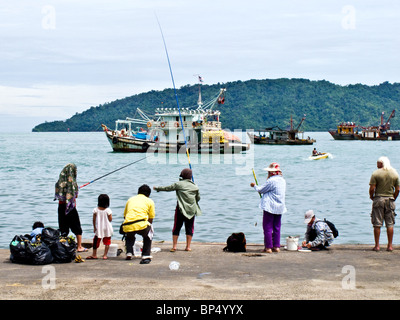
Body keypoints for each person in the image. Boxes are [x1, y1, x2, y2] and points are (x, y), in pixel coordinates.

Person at [153, 168, 201, 252]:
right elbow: (198, 198)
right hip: (191, 210)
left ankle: (174, 246)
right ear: (190, 176)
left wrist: (157, 188)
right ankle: (188, 247)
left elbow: (167, 188)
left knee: (177, 227)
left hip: (180, 209)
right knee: (190, 227)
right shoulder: (195, 186)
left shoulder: (179, 184)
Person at [250, 162, 286, 253]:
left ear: (271, 172)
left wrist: (254, 186)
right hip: (280, 207)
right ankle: (276, 247)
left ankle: (268, 247)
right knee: (277, 227)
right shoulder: (283, 180)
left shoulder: (271, 181)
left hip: (270, 207)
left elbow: (261, 190)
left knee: (267, 227)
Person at [369, 156, 400, 252]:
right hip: (390, 199)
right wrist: (394, 197)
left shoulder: (376, 173)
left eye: (378, 162)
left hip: (379, 199)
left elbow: (372, 188)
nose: (377, 164)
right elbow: (398, 189)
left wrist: (372, 196)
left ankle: (377, 246)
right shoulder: (395, 173)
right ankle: (390, 246)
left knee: (377, 223)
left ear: (381, 163)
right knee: (390, 223)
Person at [54, 163, 87, 252]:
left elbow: (58, 195)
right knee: (77, 227)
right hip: (70, 207)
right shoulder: (72, 182)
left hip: (61, 206)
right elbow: (74, 196)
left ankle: (64, 246)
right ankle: (79, 246)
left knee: (63, 228)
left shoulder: (59, 182)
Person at [122, 184, 155, 264]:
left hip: (127, 224)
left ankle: (129, 253)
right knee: (148, 236)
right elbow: (151, 218)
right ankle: (145, 255)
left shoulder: (130, 199)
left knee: (129, 236)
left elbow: (125, 216)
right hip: (141, 224)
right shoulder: (149, 201)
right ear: (148, 194)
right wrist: (148, 227)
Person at [87, 194, 113, 260]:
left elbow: (93, 219)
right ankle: (105, 255)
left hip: (99, 228)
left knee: (96, 241)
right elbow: (110, 219)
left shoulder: (95, 210)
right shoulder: (108, 210)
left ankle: (94, 254)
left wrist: (94, 227)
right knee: (107, 242)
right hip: (107, 228)